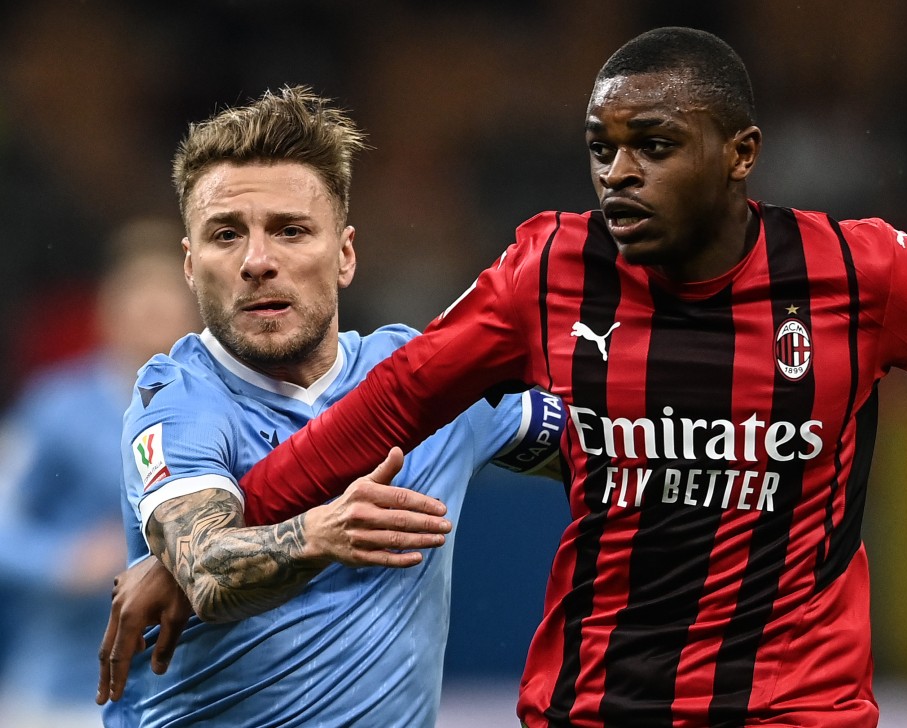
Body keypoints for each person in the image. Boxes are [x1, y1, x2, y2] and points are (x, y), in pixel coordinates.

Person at [189, 28, 907, 727]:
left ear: (741, 154)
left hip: (797, 707)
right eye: (602, 149)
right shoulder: (550, 270)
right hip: (594, 702)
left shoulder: (863, 273)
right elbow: (391, 402)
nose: (618, 173)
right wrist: (221, 531)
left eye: (654, 146)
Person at [96, 86, 562, 727]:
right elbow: (205, 569)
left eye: (290, 231)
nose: (258, 262)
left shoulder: (425, 379)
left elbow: (600, 451)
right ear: (190, 265)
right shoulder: (175, 399)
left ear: (344, 254)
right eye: (226, 235)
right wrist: (318, 536)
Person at [0, 222, 197, 727]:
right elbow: (5, 526)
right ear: (108, 308)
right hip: (66, 691)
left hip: (183, 691)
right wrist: (64, 561)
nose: (152, 310)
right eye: (138, 294)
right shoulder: (56, 406)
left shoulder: (220, 409)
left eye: (165, 296)